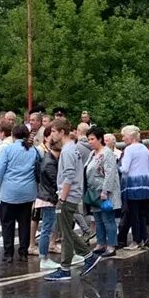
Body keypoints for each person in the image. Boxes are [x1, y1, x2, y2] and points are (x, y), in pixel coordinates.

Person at [44, 118, 101, 281]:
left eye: (54, 131)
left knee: (66, 233)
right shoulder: (72, 148)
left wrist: (62, 197)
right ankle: (88, 256)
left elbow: (68, 176)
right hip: (72, 195)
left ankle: (66, 268)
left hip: (68, 196)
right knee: (67, 230)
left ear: (62, 132)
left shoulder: (68, 151)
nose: (52, 135)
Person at [0, 124, 39, 262]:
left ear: (13, 135)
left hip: (9, 191)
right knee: (24, 222)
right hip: (28, 192)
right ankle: (23, 252)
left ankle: (8, 253)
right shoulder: (33, 150)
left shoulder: (7, 150)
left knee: (7, 223)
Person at [84, 127, 122, 258]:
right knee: (98, 219)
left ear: (100, 139)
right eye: (88, 139)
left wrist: (105, 191)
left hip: (105, 191)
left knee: (108, 219)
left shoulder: (107, 153)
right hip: (94, 191)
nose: (90, 142)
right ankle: (101, 243)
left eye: (92, 139)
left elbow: (110, 173)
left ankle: (111, 245)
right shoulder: (92, 153)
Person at [119, 125, 149, 249]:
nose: (122, 138)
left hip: (133, 186)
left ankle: (136, 240)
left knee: (134, 215)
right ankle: (143, 238)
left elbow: (125, 168)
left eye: (124, 136)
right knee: (142, 214)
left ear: (131, 136)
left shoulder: (129, 150)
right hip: (145, 185)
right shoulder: (145, 148)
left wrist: (118, 166)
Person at [35, 138, 61, 271]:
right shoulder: (50, 162)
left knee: (47, 228)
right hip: (48, 198)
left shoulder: (47, 159)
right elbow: (55, 181)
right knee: (47, 229)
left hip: (45, 196)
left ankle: (44, 257)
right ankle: (44, 258)